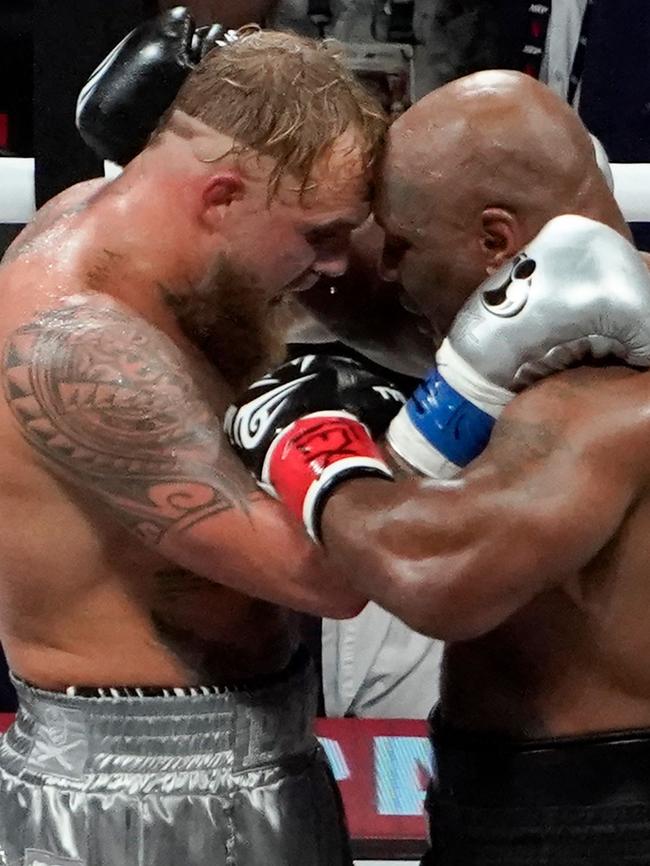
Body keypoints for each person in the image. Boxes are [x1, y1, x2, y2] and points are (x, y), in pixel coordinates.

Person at [227, 70, 650, 864]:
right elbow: (358, 291)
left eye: (403, 246)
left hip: (593, 823)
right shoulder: (528, 337)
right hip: (515, 795)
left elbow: (437, 573)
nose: (385, 272)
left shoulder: (601, 403)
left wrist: (306, 441)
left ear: (496, 241)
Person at [0, 28, 394, 866]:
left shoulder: (171, 249)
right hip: (136, 798)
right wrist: (460, 401)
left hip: (266, 746)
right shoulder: (75, 348)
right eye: (319, 233)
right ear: (219, 197)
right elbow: (321, 575)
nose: (333, 266)